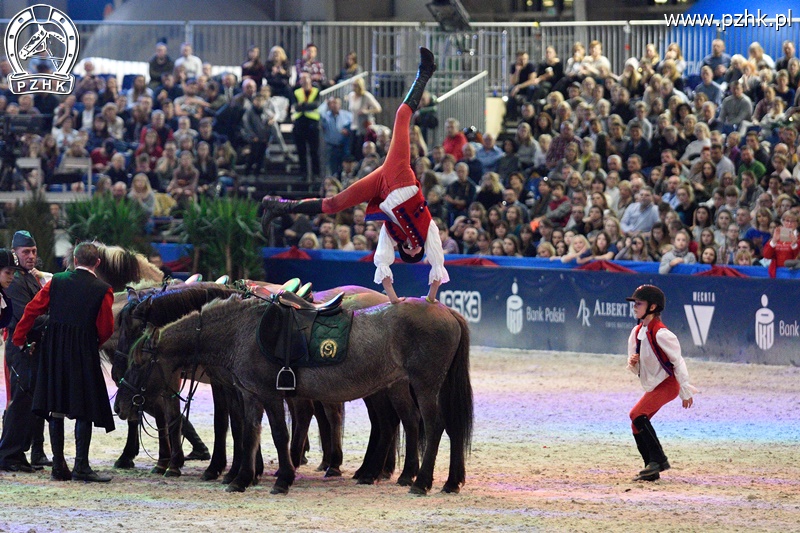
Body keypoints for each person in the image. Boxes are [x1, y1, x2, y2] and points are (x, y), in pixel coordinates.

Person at [263, 48, 448, 304]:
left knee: (333, 204)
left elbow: (383, 262)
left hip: (383, 188)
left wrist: (393, 299)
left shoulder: (391, 233)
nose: (410, 247)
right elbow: (437, 264)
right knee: (402, 116)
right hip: (399, 175)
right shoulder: (428, 230)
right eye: (413, 250)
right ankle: (425, 72)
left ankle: (278, 206)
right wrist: (430, 298)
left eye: (408, 250)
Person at [12, 242, 115, 482]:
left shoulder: (56, 281)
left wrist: (19, 337)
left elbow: (32, 310)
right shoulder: (103, 289)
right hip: (84, 351)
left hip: (54, 350)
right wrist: (94, 343)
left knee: (55, 407)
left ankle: (58, 467)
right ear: (97, 263)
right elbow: (107, 328)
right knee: (84, 408)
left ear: (74, 261)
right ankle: (82, 467)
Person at [625, 285, 696, 482]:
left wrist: (685, 390)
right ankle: (650, 467)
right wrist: (633, 363)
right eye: (635, 304)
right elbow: (636, 364)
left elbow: (678, 362)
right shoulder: (637, 332)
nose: (635, 307)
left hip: (669, 383)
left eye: (639, 304)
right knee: (636, 424)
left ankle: (659, 460)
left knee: (636, 414)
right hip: (656, 384)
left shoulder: (662, 334)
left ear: (653, 307)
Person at [0, 232, 50, 473]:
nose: (31, 256)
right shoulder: (17, 281)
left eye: (33, 251)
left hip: (29, 347)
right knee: (20, 402)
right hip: (21, 347)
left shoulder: (27, 277)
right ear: (15, 252)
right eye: (25, 252)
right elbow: (26, 317)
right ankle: (10, 453)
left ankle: (17, 453)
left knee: (26, 401)